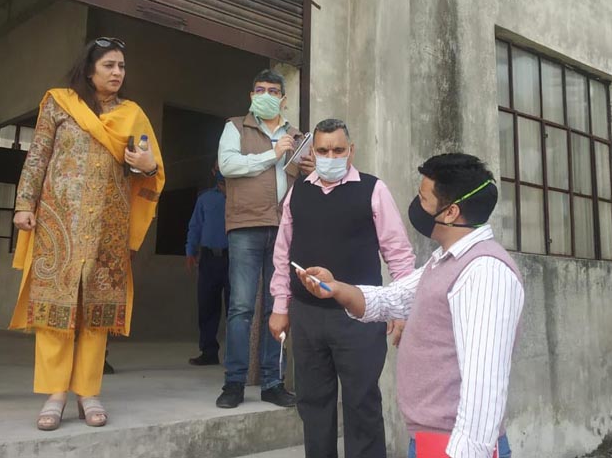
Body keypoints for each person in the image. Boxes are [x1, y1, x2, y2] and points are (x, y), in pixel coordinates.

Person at [298, 153, 524, 458]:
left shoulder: (485, 272)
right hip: (430, 441)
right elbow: (392, 299)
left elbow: (483, 388)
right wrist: (337, 289)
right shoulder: (444, 261)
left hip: (456, 447)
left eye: (424, 198)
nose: (417, 205)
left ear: (451, 212)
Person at [9, 37, 165, 431]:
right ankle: (55, 395)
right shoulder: (59, 103)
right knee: (55, 309)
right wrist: (24, 203)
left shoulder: (131, 114)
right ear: (90, 68)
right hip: (58, 222)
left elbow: (148, 171)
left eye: (121, 66)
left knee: (97, 312)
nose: (117, 73)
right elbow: (38, 155)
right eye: (109, 65)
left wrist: (148, 165)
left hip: (108, 227)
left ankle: (88, 392)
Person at [269, 118, 415, 458]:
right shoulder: (298, 192)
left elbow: (398, 253)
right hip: (307, 317)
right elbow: (282, 252)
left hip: (360, 318)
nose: (331, 157)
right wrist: (280, 306)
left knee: (362, 404)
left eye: (338, 150)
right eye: (323, 151)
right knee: (313, 405)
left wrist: (402, 308)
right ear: (313, 151)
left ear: (351, 151)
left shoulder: (373, 189)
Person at [215, 69, 313, 409]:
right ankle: (234, 383)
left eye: (273, 91)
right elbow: (228, 165)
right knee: (241, 307)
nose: (266, 95)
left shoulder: (297, 136)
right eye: (260, 90)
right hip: (245, 224)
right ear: (251, 96)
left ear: (283, 99)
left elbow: (308, 182)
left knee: (278, 306)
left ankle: (273, 382)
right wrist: (273, 154)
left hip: (285, 228)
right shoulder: (235, 127)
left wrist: (310, 168)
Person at [185, 164, 230, 366]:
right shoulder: (205, 198)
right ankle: (209, 352)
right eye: (217, 167)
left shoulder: (241, 196)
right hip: (209, 258)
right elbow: (195, 226)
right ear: (213, 171)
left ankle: (236, 356)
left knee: (236, 308)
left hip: (234, 258)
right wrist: (190, 251)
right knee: (207, 306)